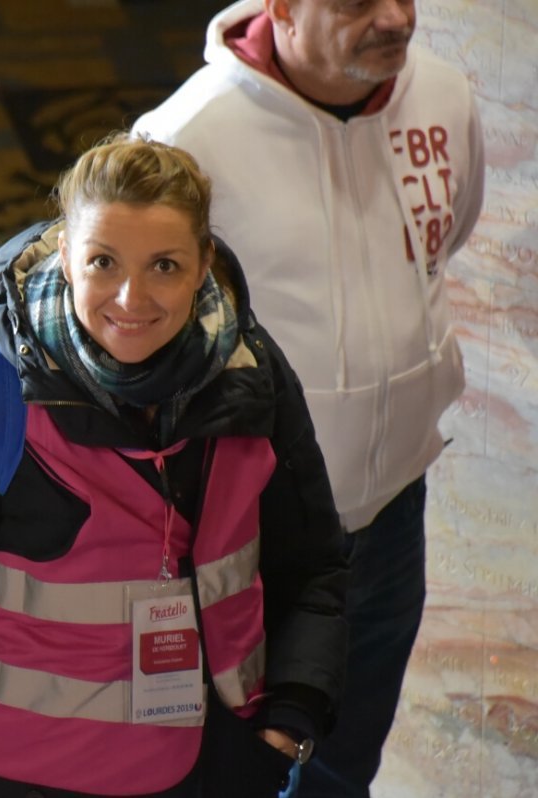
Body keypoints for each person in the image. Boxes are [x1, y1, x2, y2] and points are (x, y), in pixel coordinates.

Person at [0, 135, 348, 797]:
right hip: (23, 782)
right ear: (65, 254)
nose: (131, 298)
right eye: (103, 262)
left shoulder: (252, 379)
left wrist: (291, 717)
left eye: (165, 266)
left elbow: (314, 569)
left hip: (213, 771)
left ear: (205, 263)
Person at [131, 2, 485, 794]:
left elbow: (445, 240)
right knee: (231, 762)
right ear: (282, 8)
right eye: (357, 2)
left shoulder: (446, 98)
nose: (394, 17)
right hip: (253, 528)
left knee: (343, 759)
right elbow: (133, 340)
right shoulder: (191, 137)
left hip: (393, 508)